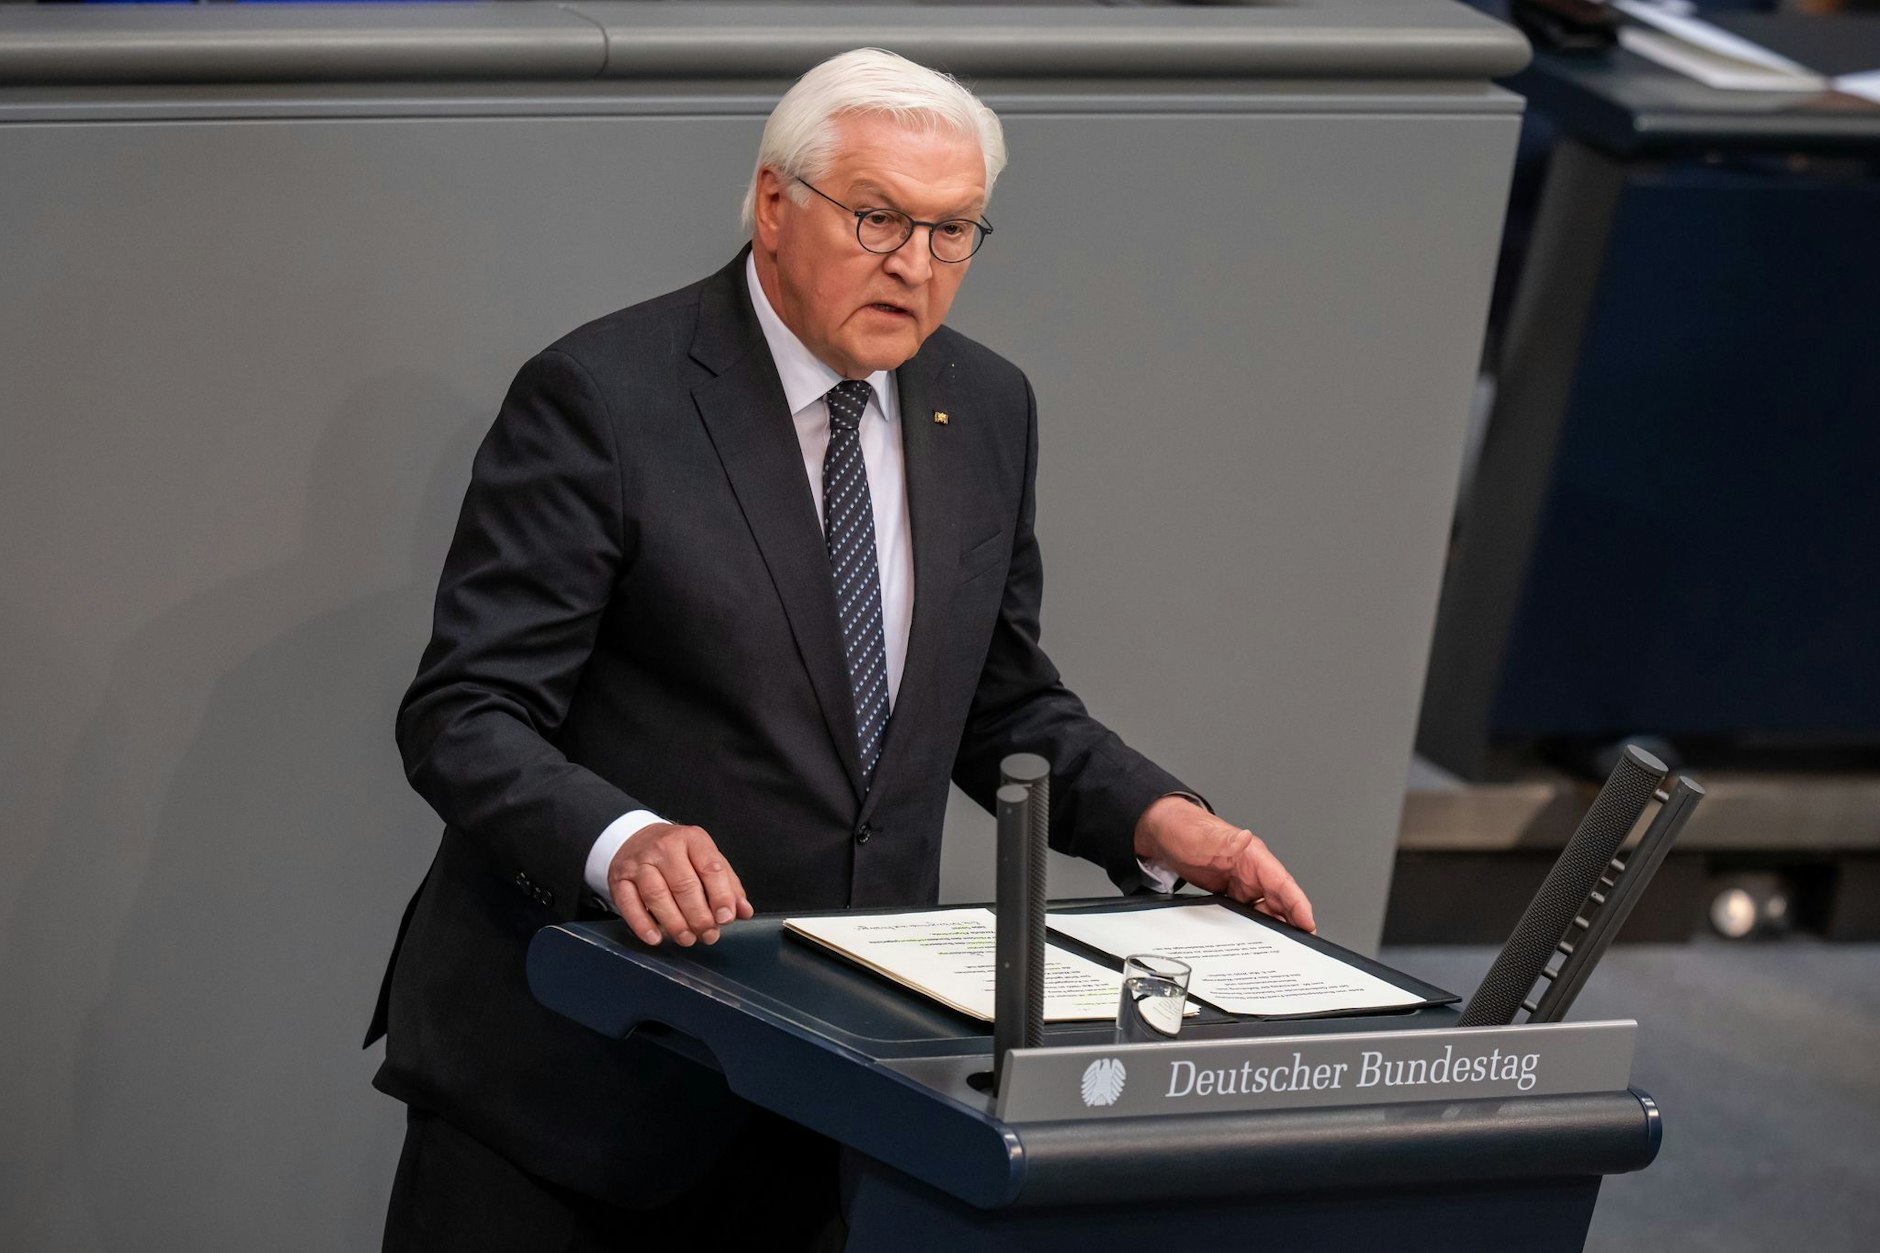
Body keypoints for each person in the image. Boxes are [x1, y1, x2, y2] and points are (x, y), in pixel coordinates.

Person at [368, 46, 1316, 1251]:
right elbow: (465, 710)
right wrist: (620, 838)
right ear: (774, 202)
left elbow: (1000, 702)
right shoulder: (605, 396)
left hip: (836, 1085)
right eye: (877, 219)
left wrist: (1164, 822)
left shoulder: (987, 407)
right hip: (578, 1087)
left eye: (953, 231)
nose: (915, 266)